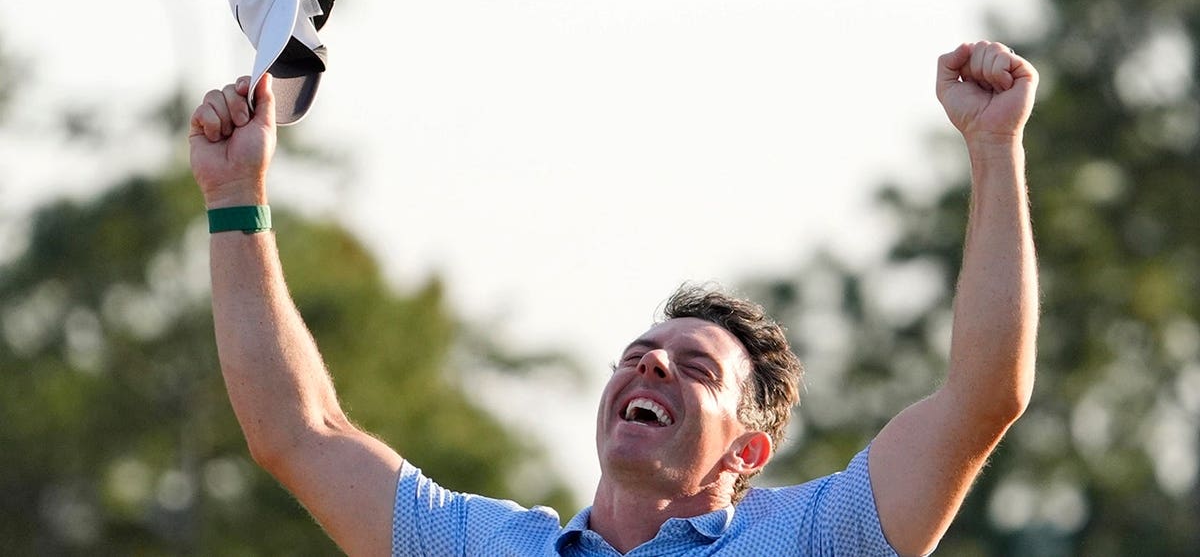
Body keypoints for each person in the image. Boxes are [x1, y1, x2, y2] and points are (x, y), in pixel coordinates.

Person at [188, 40, 1039, 556]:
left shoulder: (820, 538)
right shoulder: (483, 545)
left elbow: (984, 395)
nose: (652, 361)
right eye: (636, 355)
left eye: (695, 367)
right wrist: (236, 197)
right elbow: (299, 433)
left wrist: (994, 146)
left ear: (747, 452)